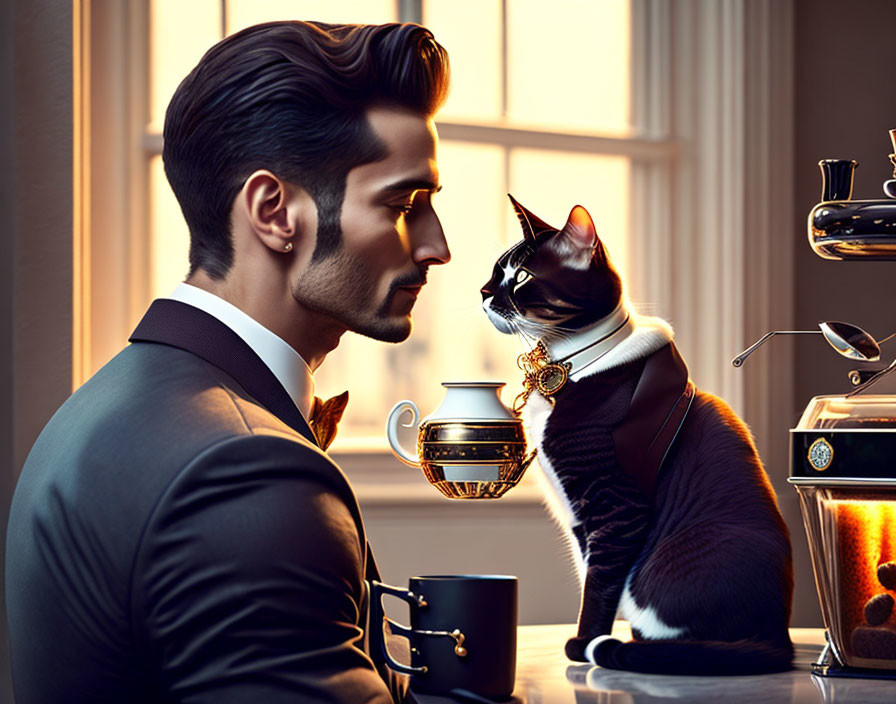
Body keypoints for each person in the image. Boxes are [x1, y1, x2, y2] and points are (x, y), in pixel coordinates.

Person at [6, 21, 450, 703]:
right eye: (403, 204)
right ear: (275, 212)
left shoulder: (109, 403)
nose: (435, 247)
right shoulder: (243, 472)